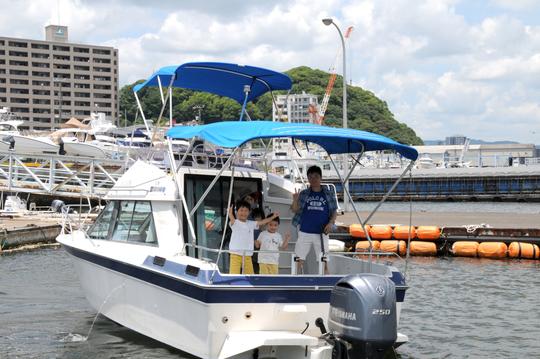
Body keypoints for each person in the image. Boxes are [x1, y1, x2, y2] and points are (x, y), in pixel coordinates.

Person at [291, 165, 338, 274]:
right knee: (299, 259)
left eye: (316, 176)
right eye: (310, 177)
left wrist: (331, 223)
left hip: (322, 233)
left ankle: (325, 282)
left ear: (321, 177)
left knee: (324, 260)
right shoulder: (303, 194)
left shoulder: (328, 193)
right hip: (304, 232)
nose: (313, 179)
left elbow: (334, 211)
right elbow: (295, 210)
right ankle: (295, 280)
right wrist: (295, 200)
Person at [228, 200, 279, 275]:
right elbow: (232, 219)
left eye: (246, 211)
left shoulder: (251, 223)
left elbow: (263, 222)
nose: (243, 213)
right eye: (241, 210)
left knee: (250, 275)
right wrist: (230, 213)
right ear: (237, 212)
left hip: (247, 255)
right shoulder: (235, 222)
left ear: (249, 212)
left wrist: (273, 217)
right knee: (233, 275)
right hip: (235, 254)